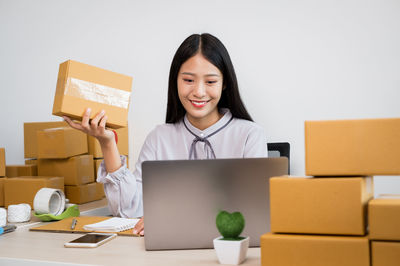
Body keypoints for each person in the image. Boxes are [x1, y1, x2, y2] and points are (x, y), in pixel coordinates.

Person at [63, 33, 268, 237]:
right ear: (175, 81)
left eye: (210, 82)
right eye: (188, 80)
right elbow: (128, 211)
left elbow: (254, 211)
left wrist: (173, 218)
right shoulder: (159, 137)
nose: (198, 91)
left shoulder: (250, 135)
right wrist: (107, 143)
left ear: (224, 83)